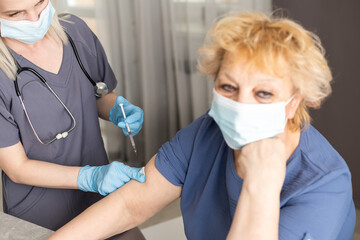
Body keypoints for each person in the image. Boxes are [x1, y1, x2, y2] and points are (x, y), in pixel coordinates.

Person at [48, 12, 356, 240]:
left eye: (263, 93)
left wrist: (261, 185)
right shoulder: (207, 133)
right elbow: (131, 205)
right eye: (228, 87)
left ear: (293, 101)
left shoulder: (324, 185)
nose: (241, 106)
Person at [0, 0, 146, 238]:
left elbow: (99, 94)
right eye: (16, 13)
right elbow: (17, 168)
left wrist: (116, 109)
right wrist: (91, 177)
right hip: (41, 212)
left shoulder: (76, 31)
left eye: (39, 3)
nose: (35, 19)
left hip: (99, 200)